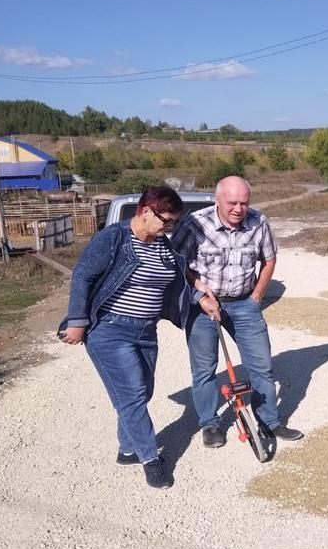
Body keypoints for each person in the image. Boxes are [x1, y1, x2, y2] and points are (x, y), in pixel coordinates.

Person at [60, 186, 206, 489]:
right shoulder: (114, 238)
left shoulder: (162, 245)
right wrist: (77, 321)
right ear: (146, 211)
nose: (170, 228)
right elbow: (83, 275)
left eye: (173, 223)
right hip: (110, 330)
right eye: (166, 221)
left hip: (146, 331)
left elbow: (176, 280)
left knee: (142, 392)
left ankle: (127, 450)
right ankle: (151, 461)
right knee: (133, 396)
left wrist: (201, 298)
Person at [171, 176, 304, 448]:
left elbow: (269, 259)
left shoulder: (258, 222)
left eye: (244, 203)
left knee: (262, 367)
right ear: (217, 199)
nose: (238, 209)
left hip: (245, 304)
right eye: (232, 202)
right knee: (204, 370)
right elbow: (176, 262)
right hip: (204, 306)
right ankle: (210, 424)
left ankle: (269, 421)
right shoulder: (195, 223)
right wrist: (197, 291)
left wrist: (257, 296)